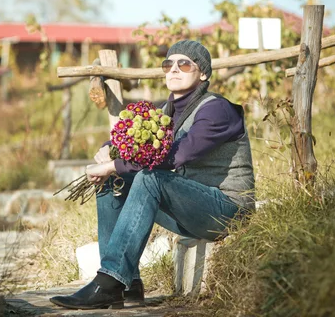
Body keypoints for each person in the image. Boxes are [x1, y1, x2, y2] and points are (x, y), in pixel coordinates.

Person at [50, 40, 255, 310]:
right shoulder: (165, 112)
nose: (174, 69)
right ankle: (127, 285)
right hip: (191, 209)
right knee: (116, 181)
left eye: (184, 64)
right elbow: (127, 142)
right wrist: (108, 152)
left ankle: (109, 280)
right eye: (168, 64)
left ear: (203, 73)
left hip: (227, 209)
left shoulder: (216, 109)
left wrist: (114, 164)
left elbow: (176, 156)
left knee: (148, 177)